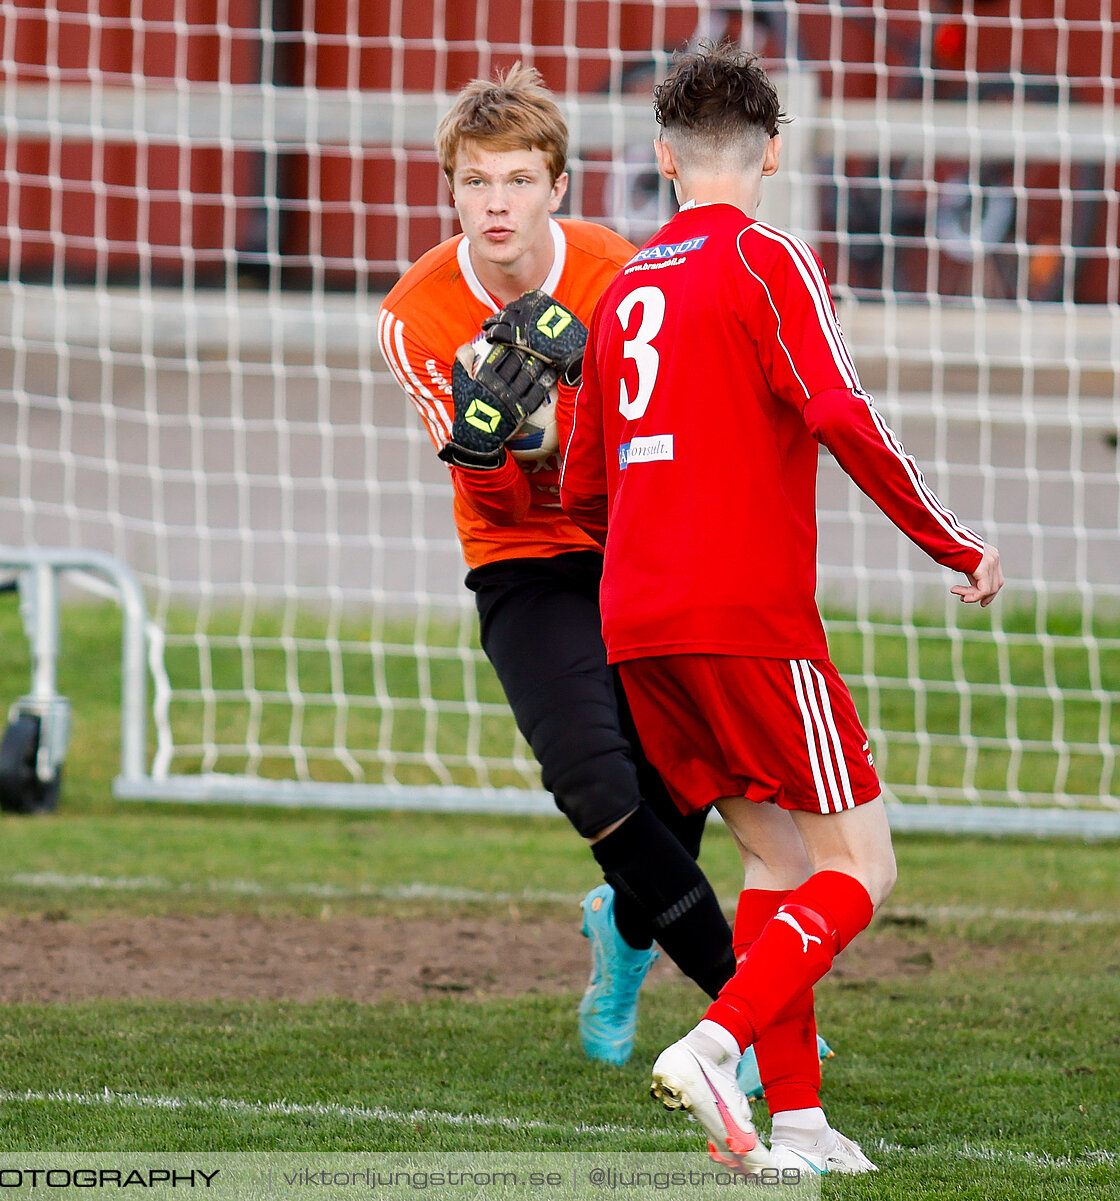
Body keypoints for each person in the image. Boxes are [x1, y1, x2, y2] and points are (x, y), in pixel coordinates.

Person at [560, 43, 1002, 1175]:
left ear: (660, 159)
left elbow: (581, 488)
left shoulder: (621, 293)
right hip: (747, 618)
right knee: (866, 863)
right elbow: (844, 417)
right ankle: (716, 1043)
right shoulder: (768, 260)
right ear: (771, 155)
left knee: (777, 859)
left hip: (638, 622)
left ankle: (798, 1120)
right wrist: (952, 541)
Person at [377, 64, 738, 1067]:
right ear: (451, 188)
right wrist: (489, 441)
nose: (499, 205)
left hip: (633, 540)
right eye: (478, 182)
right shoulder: (417, 314)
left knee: (682, 784)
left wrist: (569, 391)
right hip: (524, 563)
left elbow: (652, 438)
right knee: (594, 781)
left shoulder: (616, 272)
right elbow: (486, 494)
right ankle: (757, 1017)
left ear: (557, 187)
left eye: (520, 180)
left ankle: (621, 942)